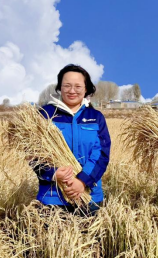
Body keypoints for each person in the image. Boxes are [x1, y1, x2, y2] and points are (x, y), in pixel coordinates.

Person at [33, 64, 111, 215]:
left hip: (89, 197)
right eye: (67, 85)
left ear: (86, 88)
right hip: (52, 198)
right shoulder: (44, 115)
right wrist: (53, 173)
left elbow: (101, 154)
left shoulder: (95, 117)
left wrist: (82, 181)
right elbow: (33, 153)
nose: (72, 91)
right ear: (59, 87)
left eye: (77, 86)